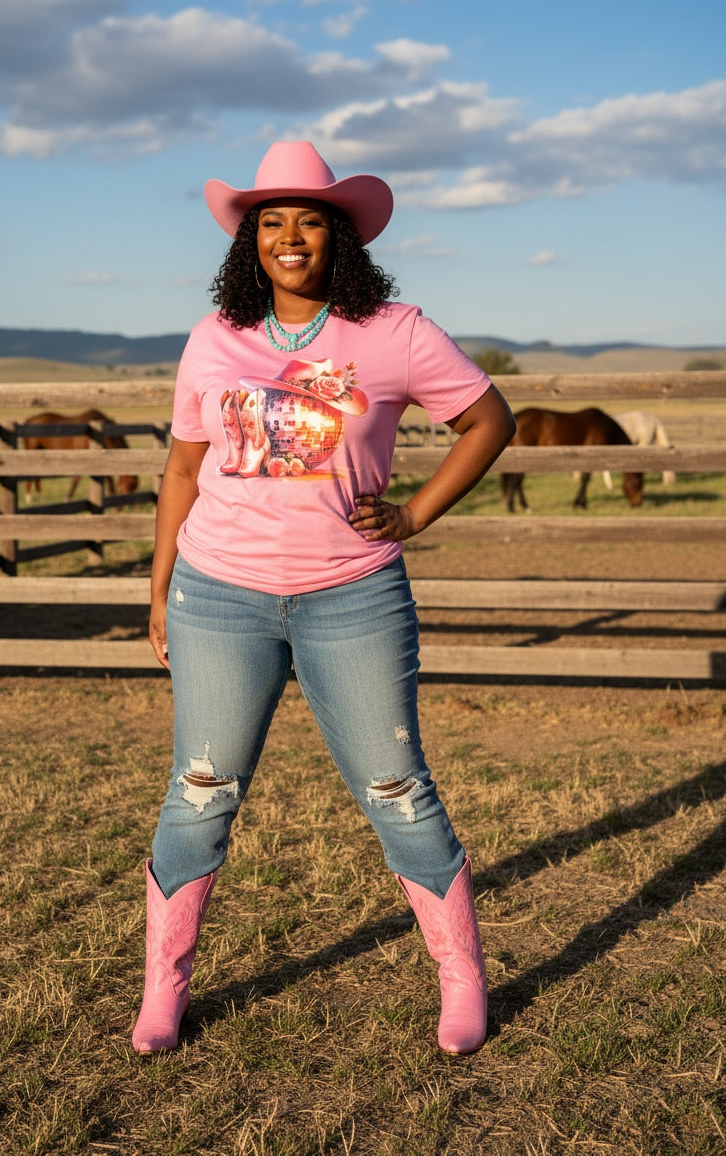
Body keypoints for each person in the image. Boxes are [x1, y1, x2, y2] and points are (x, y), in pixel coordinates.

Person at [133, 141, 516, 1057]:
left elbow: (487, 418)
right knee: (202, 792)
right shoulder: (212, 338)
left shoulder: (394, 329)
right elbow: (184, 465)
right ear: (250, 241)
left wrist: (417, 511)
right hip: (217, 595)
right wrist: (158, 587)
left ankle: (462, 982)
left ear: (339, 235)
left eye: (309, 220)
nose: (291, 237)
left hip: (353, 596)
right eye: (272, 223)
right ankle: (164, 993)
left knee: (399, 790)